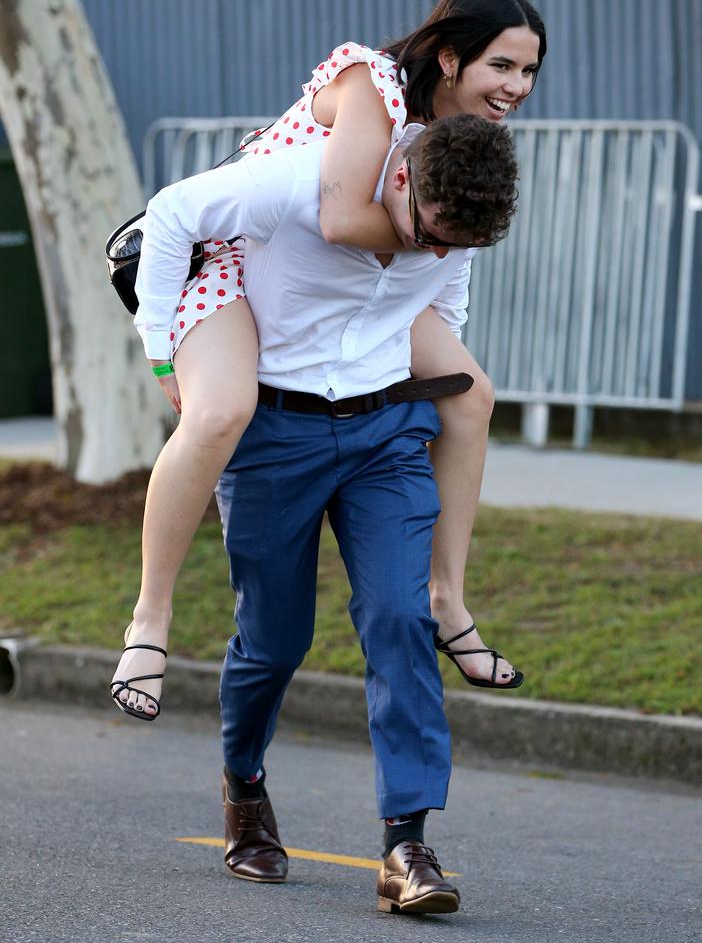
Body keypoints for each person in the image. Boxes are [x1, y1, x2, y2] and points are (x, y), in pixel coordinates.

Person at [110, 0, 546, 720]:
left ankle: (447, 599)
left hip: (350, 283)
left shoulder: (456, 143)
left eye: (530, 71)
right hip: (234, 255)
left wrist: (436, 253)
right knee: (220, 412)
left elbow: (431, 256)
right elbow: (344, 219)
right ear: (448, 57)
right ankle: (149, 620)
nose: (517, 87)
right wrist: (159, 349)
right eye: (501, 66)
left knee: (470, 392)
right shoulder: (372, 87)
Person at [136, 111, 519, 911]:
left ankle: (406, 845)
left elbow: (445, 314)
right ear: (402, 180)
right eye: (433, 232)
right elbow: (171, 213)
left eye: (461, 244)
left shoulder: (455, 230)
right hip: (277, 433)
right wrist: (162, 351)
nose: (439, 252)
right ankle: (244, 784)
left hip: (386, 435)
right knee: (274, 643)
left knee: (398, 618)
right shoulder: (302, 188)